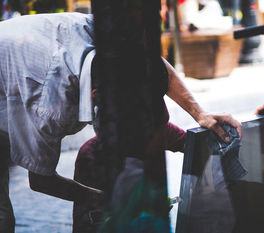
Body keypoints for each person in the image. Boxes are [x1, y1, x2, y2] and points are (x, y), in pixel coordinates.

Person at [0, 12, 242, 232]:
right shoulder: (49, 107)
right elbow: (41, 179)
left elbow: (152, 63)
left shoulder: (109, 39)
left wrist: (198, 113)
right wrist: (106, 200)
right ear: (97, 98)